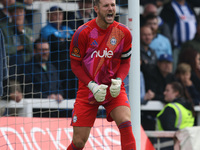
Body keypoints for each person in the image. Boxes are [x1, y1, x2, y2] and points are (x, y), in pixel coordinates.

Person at [67, 0, 136, 149]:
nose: (110, 9)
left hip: (114, 88)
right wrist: (92, 86)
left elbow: (125, 62)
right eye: (106, 6)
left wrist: (118, 80)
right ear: (96, 9)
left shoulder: (123, 33)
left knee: (125, 122)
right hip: (88, 90)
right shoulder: (82, 33)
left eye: (113, 5)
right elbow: (75, 65)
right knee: (78, 142)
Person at [40, 6, 76, 99]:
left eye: (60, 14)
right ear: (49, 16)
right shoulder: (46, 29)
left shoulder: (67, 28)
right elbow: (56, 45)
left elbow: (75, 43)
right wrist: (66, 41)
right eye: (55, 14)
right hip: (56, 65)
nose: (58, 16)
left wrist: (63, 41)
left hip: (70, 67)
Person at [156, 82, 195, 150]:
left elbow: (168, 128)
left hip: (167, 145)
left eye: (167, 90)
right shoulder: (189, 108)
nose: (164, 93)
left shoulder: (170, 108)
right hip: (186, 145)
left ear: (176, 93)